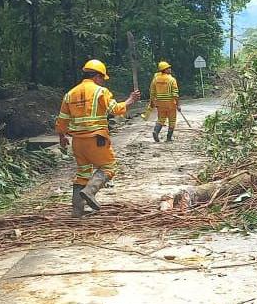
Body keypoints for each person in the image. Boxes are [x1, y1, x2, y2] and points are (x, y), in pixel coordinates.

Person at [55, 59, 141, 216]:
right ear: (97, 76)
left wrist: (62, 136)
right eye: (103, 79)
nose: (103, 82)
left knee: (82, 173)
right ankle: (90, 191)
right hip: (96, 139)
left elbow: (61, 120)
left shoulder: (70, 94)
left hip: (78, 142)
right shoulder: (100, 92)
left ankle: (77, 209)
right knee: (108, 168)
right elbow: (115, 109)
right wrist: (131, 100)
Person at [150, 61, 179, 142]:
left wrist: (152, 102)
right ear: (164, 70)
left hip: (160, 103)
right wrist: (178, 104)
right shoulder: (171, 80)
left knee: (161, 119)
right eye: (168, 68)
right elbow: (175, 94)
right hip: (170, 104)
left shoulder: (155, 79)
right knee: (172, 120)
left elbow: (152, 92)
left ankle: (156, 131)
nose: (170, 69)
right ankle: (169, 138)